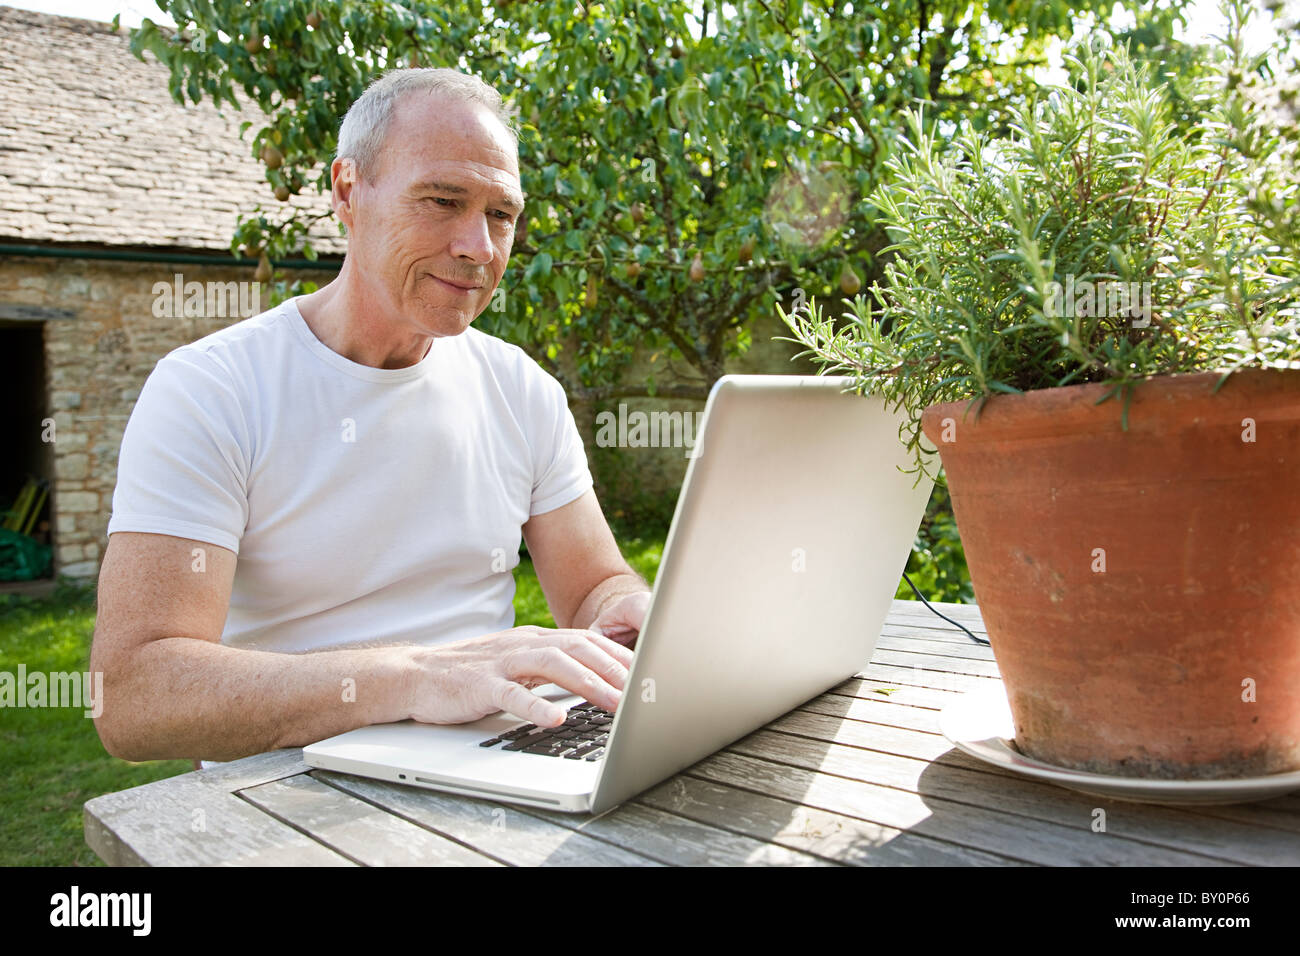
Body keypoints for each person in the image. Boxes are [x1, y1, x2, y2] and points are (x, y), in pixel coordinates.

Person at [90, 68, 651, 765]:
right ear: (348, 192)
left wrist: (629, 607)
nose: (478, 246)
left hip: (510, 756)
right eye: (442, 200)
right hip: (293, 797)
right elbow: (134, 698)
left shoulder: (521, 389)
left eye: (501, 214)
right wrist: (416, 678)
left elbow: (596, 586)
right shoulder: (211, 391)